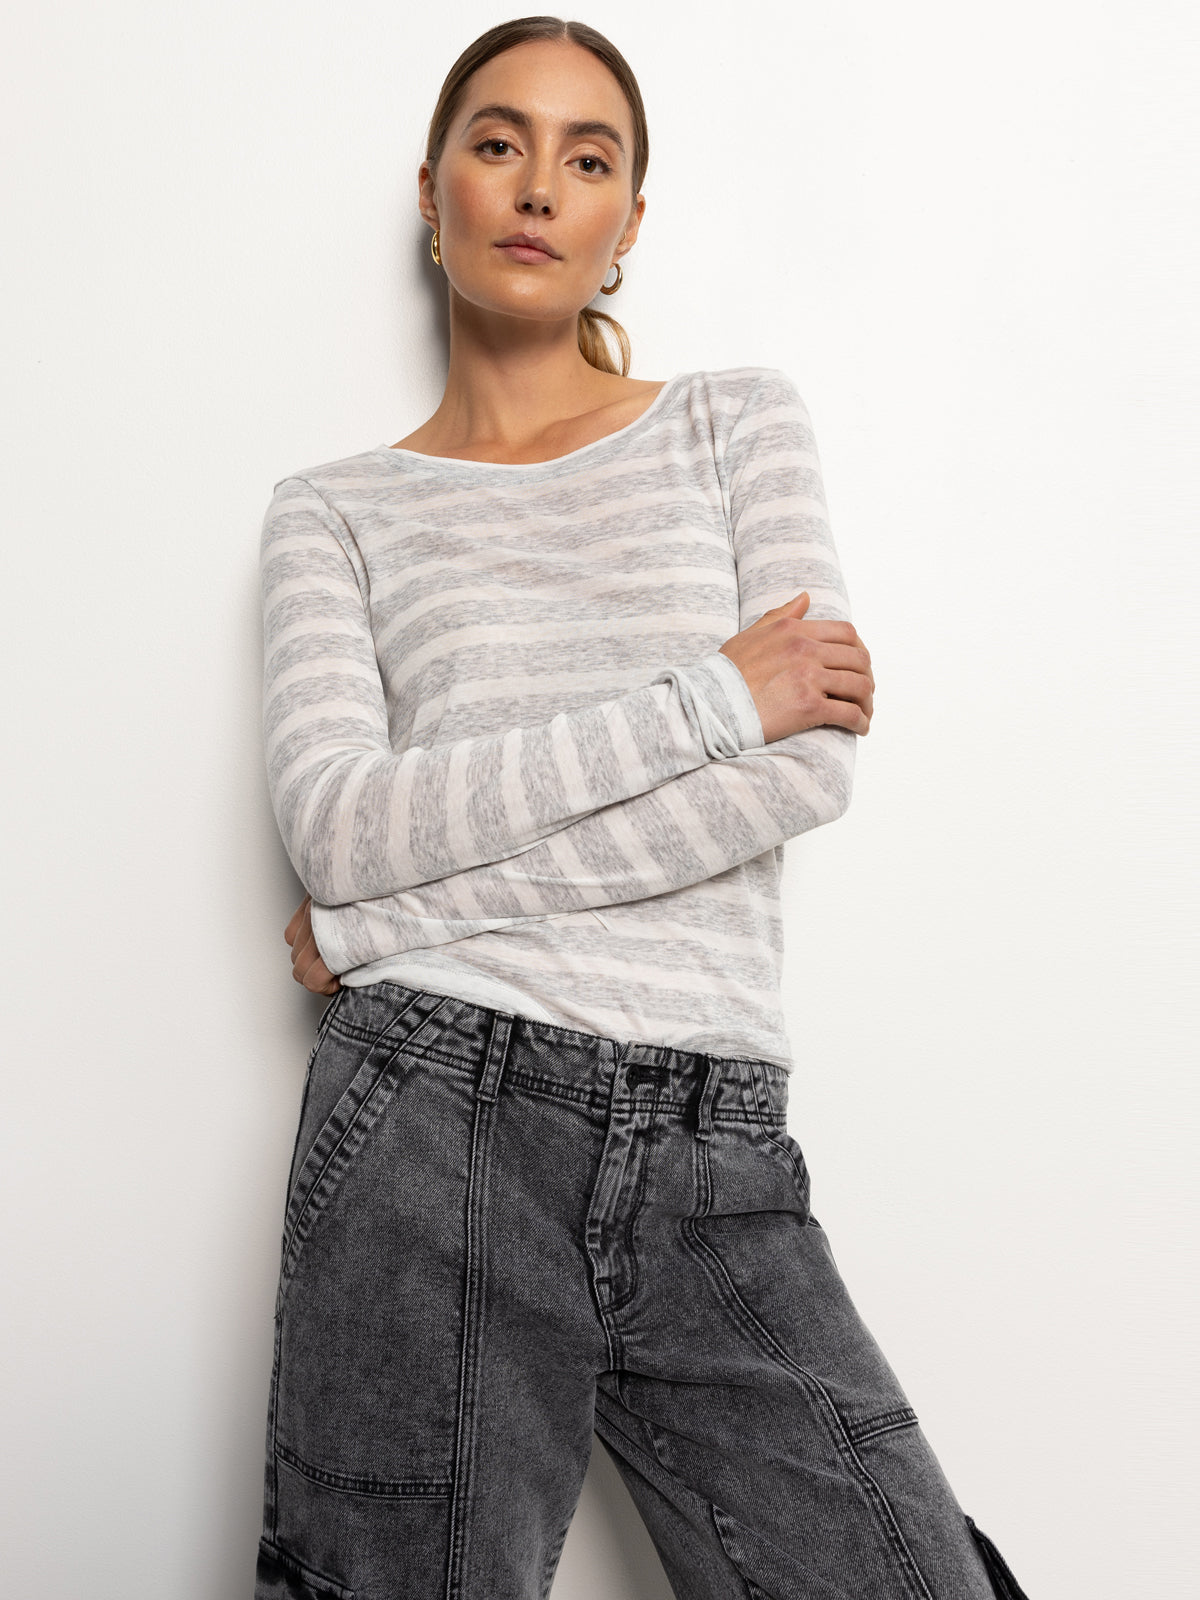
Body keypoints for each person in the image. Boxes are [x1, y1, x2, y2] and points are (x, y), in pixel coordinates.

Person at [253, 16, 1031, 1600]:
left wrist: (381, 923)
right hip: (430, 1119)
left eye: (587, 157)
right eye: (498, 142)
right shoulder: (334, 509)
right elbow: (341, 821)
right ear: (433, 190)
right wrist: (708, 701)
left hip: (717, 1148)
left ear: (627, 225)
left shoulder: (734, 423)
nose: (539, 185)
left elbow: (804, 768)